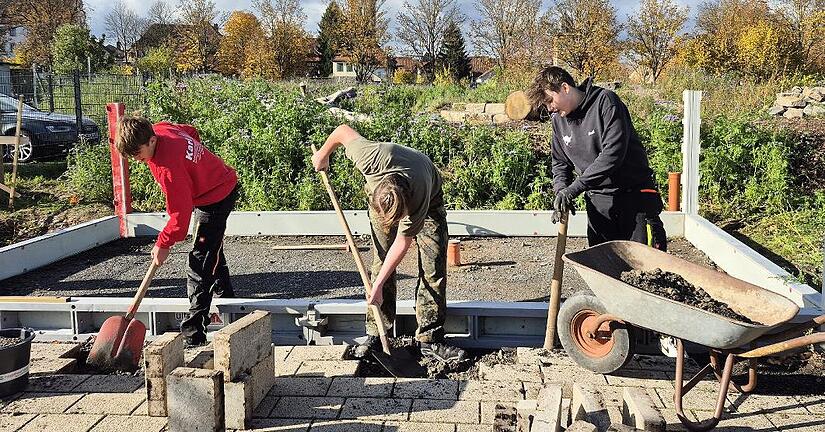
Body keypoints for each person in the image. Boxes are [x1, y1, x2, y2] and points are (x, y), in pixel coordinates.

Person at [312, 124, 466, 363]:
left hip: (429, 197)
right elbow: (342, 131)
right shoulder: (369, 158)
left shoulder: (418, 197)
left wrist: (380, 283)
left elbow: (402, 244)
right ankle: (377, 332)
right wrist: (323, 154)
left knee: (433, 266)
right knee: (380, 260)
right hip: (385, 194)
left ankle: (430, 339)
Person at [115, 116, 239, 346]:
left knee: (200, 261)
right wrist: (196, 169)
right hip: (215, 184)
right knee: (210, 247)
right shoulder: (162, 129)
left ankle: (193, 333)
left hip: (217, 195)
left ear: (152, 140)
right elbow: (191, 131)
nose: (137, 160)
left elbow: (179, 219)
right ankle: (228, 296)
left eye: (138, 154)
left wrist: (163, 243)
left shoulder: (168, 168)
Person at [526, 66, 667, 250]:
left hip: (634, 198)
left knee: (646, 269)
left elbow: (612, 155)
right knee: (604, 268)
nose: (550, 108)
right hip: (599, 204)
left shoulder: (606, 102)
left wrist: (574, 189)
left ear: (565, 88)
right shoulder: (558, 120)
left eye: (550, 100)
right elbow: (560, 162)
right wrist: (562, 192)